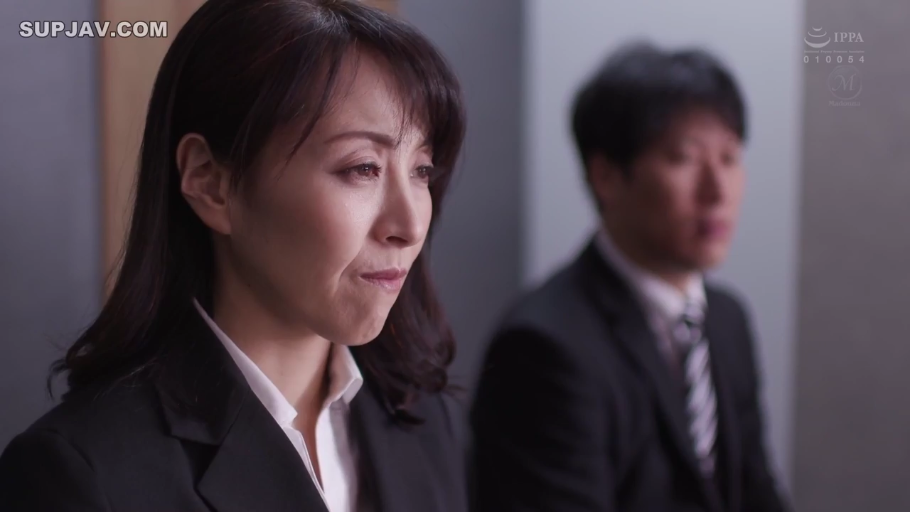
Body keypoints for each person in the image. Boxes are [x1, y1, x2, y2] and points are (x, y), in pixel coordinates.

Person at [0, 1, 467, 511]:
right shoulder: (85, 475)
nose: (410, 226)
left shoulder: (424, 421)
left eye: (422, 170)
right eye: (362, 168)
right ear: (210, 183)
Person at [471, 42, 790, 512]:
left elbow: (755, 490)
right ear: (607, 176)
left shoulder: (727, 320)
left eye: (729, 158)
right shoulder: (544, 346)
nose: (718, 190)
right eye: (684, 158)